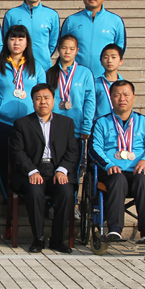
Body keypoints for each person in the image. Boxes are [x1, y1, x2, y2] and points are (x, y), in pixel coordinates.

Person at [89, 80, 145, 243]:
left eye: (126, 94)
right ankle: (114, 229)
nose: (122, 98)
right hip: (112, 172)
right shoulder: (101, 122)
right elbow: (94, 148)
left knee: (143, 181)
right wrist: (108, 164)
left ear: (133, 97)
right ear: (111, 97)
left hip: (138, 171)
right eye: (117, 95)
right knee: (118, 179)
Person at [10, 83, 78, 253]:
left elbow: (73, 151)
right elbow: (17, 152)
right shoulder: (22, 123)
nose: (43, 102)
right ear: (32, 101)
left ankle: (57, 239)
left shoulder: (66, 123)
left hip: (57, 170)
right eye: (38, 98)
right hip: (33, 170)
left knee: (66, 193)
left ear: (53, 100)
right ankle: (38, 238)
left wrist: (62, 170)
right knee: (34, 192)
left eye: (46, 98)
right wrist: (32, 171)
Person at [0, 25, 46, 198]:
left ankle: (28, 197)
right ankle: (8, 199)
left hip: (30, 124)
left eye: (21, 39)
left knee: (30, 161)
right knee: (4, 162)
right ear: (6, 41)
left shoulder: (36, 67)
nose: (16, 42)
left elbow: (44, 94)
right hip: (3, 122)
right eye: (12, 38)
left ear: (27, 42)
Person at [46, 35, 95, 181]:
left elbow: (89, 101)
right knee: (53, 167)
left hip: (76, 128)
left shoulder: (85, 73)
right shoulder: (50, 73)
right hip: (54, 127)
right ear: (58, 49)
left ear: (77, 51)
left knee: (73, 170)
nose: (67, 52)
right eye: (64, 48)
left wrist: (87, 125)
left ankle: (72, 195)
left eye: (71, 49)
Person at [60, 0, 126, 77]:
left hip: (104, 77)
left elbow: (120, 48)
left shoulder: (115, 21)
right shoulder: (71, 21)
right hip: (76, 76)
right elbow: (62, 46)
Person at [2, 0, 60, 72]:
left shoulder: (52, 15)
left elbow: (53, 43)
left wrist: (43, 55)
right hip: (17, 67)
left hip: (43, 68)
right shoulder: (11, 14)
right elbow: (6, 40)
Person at [94, 43, 124, 121]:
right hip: (100, 124)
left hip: (119, 124)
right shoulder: (95, 84)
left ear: (121, 61)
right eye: (106, 57)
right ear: (101, 61)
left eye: (113, 57)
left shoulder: (125, 86)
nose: (109, 61)